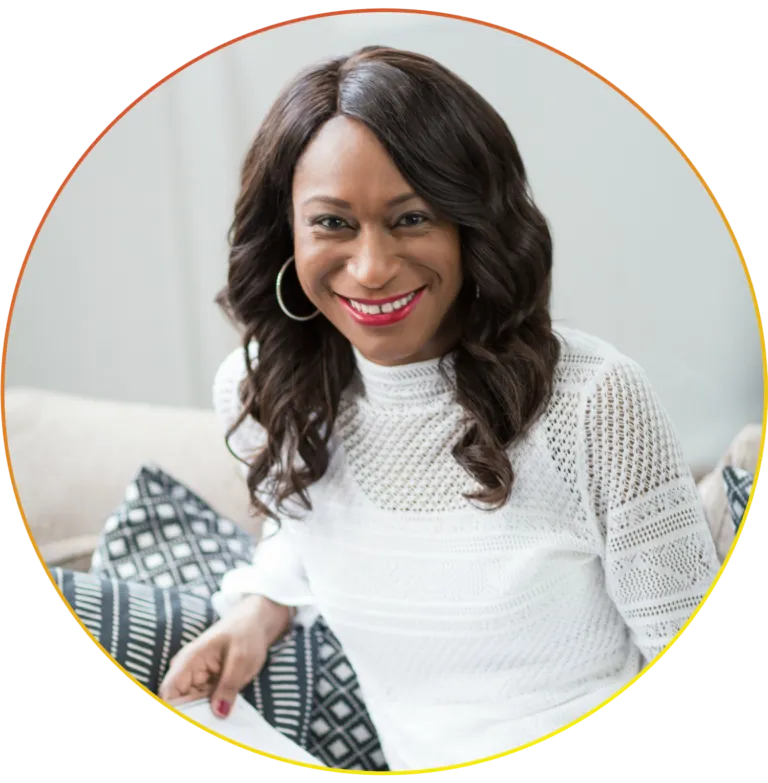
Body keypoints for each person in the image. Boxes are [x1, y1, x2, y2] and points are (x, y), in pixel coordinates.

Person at [155, 45, 722, 771]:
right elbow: (313, 528)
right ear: (285, 234)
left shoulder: (594, 403)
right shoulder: (265, 392)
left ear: (473, 225)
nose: (371, 268)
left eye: (412, 217)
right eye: (332, 223)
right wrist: (258, 611)